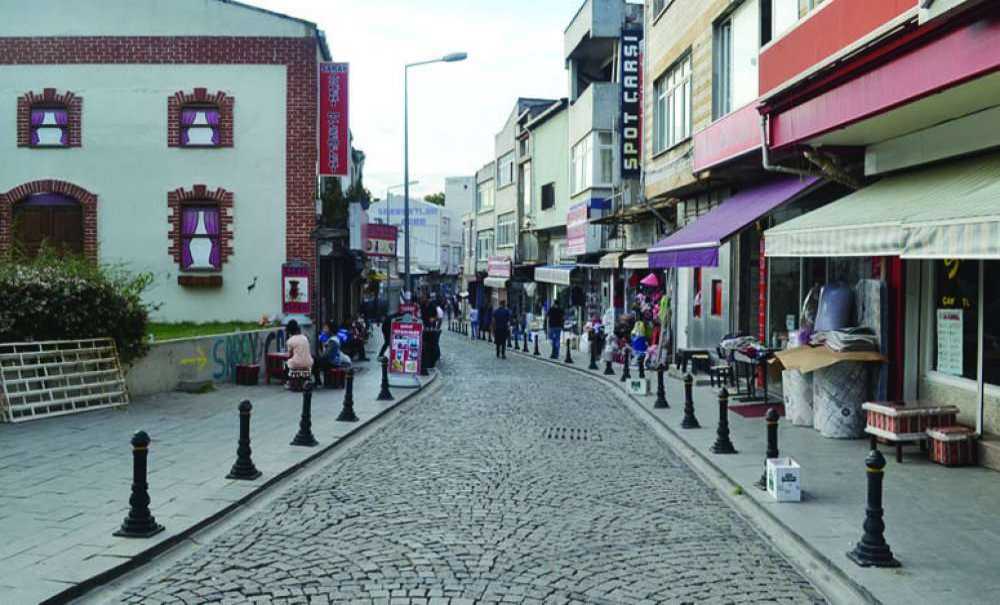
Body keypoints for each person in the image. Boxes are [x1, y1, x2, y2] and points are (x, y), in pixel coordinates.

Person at [284, 319, 313, 385]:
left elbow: (290, 355)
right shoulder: (305, 338)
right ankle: (307, 378)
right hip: (309, 363)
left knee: (284, 364)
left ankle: (288, 381)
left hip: (297, 363)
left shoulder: (290, 340)